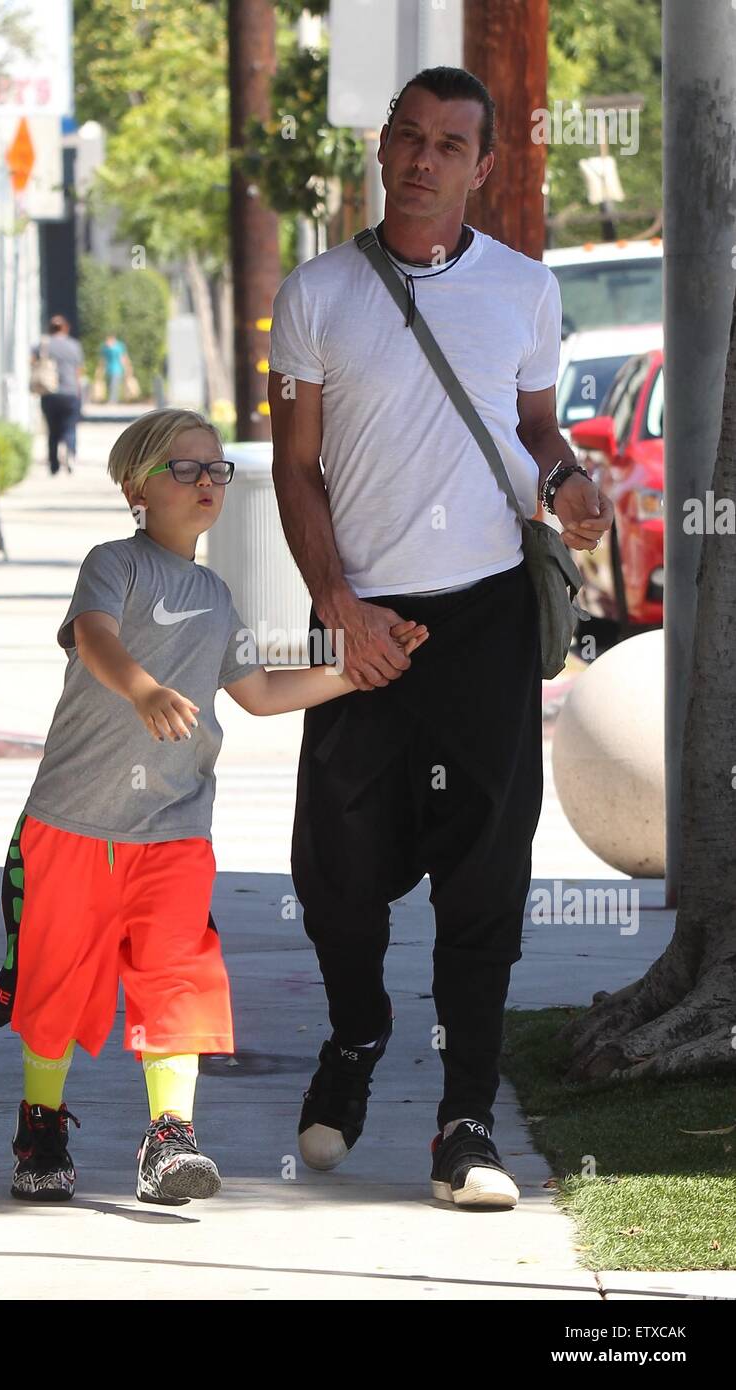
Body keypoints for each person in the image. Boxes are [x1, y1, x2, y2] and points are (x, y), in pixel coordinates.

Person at [268, 65, 613, 1210]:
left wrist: (567, 482)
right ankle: (357, 1033)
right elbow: (295, 463)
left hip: (483, 618)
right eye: (406, 138)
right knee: (335, 869)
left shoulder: (523, 287)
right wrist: (337, 609)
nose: (421, 159)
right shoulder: (316, 292)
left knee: (486, 872)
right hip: (359, 618)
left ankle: (465, 1120)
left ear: (482, 167)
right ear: (382, 149)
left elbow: (529, 428)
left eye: (447, 145)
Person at [0, 406, 428, 1205]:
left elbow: (259, 692)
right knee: (54, 988)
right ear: (137, 486)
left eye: (216, 470)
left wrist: (360, 668)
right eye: (185, 469)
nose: (205, 483)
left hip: (174, 828)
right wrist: (145, 690)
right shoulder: (113, 565)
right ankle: (41, 1128)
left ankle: (170, 1141)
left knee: (178, 978)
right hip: (72, 825)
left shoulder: (216, 595)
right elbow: (92, 635)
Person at [31, 315, 84, 475]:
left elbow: (32, 362)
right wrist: (79, 392)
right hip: (70, 393)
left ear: (50, 328)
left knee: (52, 430)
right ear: (66, 328)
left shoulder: (43, 344)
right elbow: (78, 371)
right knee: (70, 427)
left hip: (49, 392)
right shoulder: (74, 345)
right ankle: (70, 452)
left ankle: (53, 464)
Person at [98, 334, 133, 404]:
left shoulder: (119, 347)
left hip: (117, 369)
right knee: (109, 385)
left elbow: (123, 358)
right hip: (108, 369)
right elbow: (103, 360)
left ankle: (113, 400)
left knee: (114, 385)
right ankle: (112, 399)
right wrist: (100, 370)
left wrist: (127, 368)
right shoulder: (105, 347)